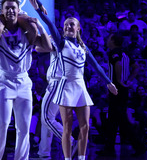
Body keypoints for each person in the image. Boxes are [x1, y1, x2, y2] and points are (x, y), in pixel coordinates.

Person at [0, 0, 52, 160]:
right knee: (2, 122)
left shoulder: (27, 33)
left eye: (13, 8)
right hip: (4, 81)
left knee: (23, 126)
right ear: (2, 12)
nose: (10, 11)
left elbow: (47, 46)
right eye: (7, 8)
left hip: (24, 81)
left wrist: (39, 25)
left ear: (19, 11)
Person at [37, 14, 117, 160]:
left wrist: (108, 81)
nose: (68, 26)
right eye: (66, 25)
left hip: (76, 85)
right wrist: (39, 11)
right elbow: (42, 40)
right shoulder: (59, 42)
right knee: (53, 121)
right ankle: (50, 153)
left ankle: (75, 154)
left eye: (72, 24)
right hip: (64, 85)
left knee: (81, 125)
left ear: (78, 28)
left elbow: (96, 65)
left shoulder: (82, 46)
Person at [98, 33, 146, 156]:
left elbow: (118, 64)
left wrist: (119, 81)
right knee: (114, 119)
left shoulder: (114, 53)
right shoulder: (126, 52)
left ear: (113, 41)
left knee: (121, 119)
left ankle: (139, 146)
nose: (107, 40)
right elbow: (136, 67)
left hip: (117, 88)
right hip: (123, 89)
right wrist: (129, 80)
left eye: (108, 38)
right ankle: (109, 147)